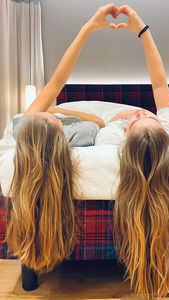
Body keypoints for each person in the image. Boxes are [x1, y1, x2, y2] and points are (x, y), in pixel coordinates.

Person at [5, 3, 120, 274]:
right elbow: (99, 121)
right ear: (60, 134)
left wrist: (56, 110)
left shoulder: (25, 127)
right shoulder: (79, 134)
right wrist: (88, 28)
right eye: (52, 120)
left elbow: (56, 84)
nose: (47, 114)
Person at [95, 5, 169, 298]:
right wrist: (143, 30)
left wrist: (118, 122)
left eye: (137, 118)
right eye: (145, 115)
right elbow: (159, 82)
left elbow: (103, 124)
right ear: (160, 124)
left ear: (126, 139)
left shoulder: (111, 142)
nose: (137, 113)